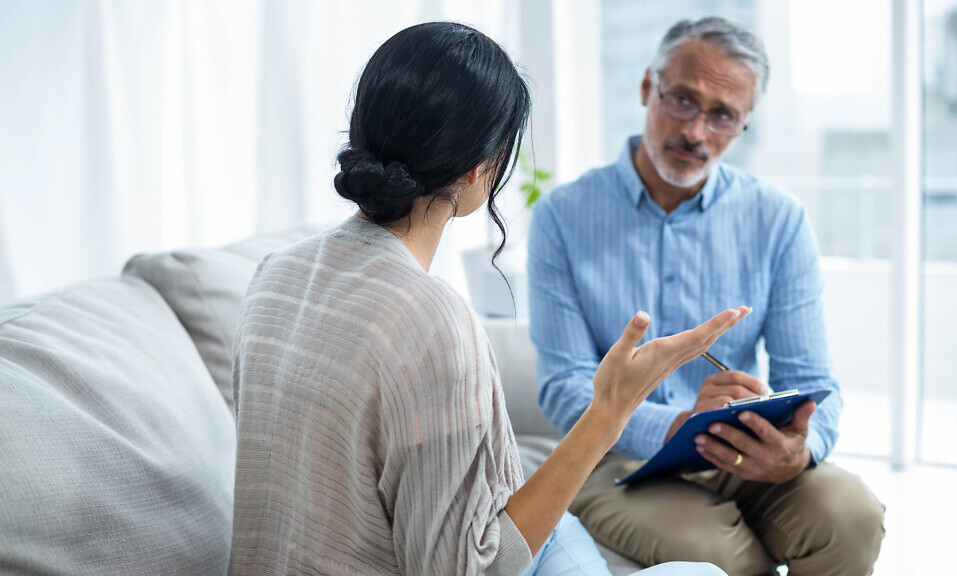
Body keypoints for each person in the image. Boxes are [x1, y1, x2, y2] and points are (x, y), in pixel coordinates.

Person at [228, 22, 742, 576]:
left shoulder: (273, 276)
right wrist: (610, 411)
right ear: (481, 167)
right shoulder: (432, 321)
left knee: (559, 526)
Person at [528, 16, 886, 576]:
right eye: (683, 101)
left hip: (740, 449)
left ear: (743, 125)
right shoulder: (561, 217)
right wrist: (673, 426)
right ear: (649, 87)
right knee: (720, 554)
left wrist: (799, 449)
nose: (696, 132)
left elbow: (814, 380)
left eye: (722, 116)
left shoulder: (779, 219)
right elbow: (563, 385)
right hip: (614, 458)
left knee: (851, 516)